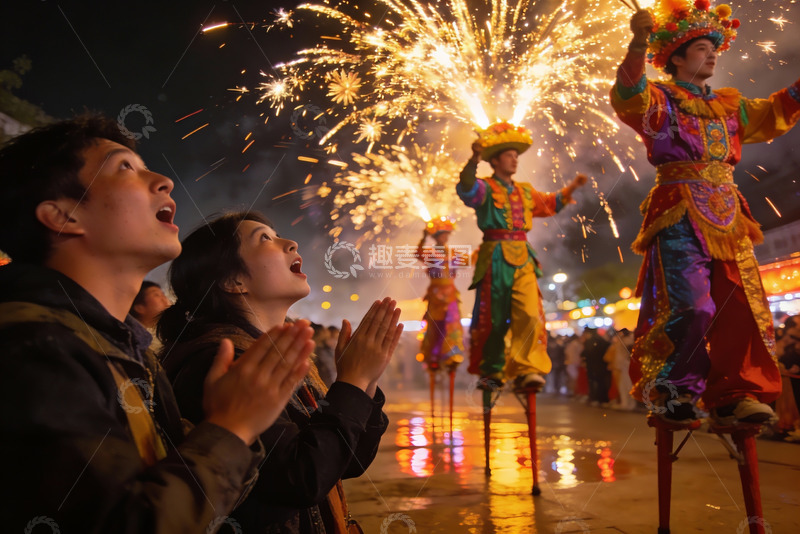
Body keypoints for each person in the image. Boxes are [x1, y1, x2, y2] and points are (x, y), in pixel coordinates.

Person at [0, 115, 312, 533]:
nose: (163, 180)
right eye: (124, 167)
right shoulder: (32, 350)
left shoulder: (130, 352)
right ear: (63, 215)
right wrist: (231, 427)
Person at [610, 1, 800, 424]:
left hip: (730, 215)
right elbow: (627, 95)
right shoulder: (660, 101)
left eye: (714, 47)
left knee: (742, 305)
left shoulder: (731, 107)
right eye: (700, 47)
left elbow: (775, 112)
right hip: (678, 212)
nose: (712, 54)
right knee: (693, 307)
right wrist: (637, 44)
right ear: (676, 57)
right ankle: (675, 389)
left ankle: (736, 392)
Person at [157, 211, 403, 533]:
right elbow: (300, 479)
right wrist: (352, 383)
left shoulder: (273, 353)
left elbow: (345, 462)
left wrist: (364, 385)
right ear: (233, 281)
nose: (290, 243)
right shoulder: (221, 360)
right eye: (265, 239)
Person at [457, 121, 587, 389]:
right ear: (495, 160)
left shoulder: (525, 191)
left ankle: (528, 368)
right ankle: (493, 369)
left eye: (517, 156)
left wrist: (572, 187)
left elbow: (550, 203)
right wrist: (473, 158)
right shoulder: (485, 188)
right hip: (494, 256)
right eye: (509, 155)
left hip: (524, 257)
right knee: (494, 318)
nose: (515, 160)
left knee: (529, 313)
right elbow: (466, 187)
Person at [415, 218, 465, 373]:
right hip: (436, 295)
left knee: (453, 325)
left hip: (450, 295)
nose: (445, 238)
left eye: (446, 235)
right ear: (435, 237)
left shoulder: (454, 253)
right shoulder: (430, 253)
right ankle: (434, 356)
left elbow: (466, 261)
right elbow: (418, 254)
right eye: (441, 235)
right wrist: (423, 237)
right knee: (435, 326)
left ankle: (451, 354)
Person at [129, 280, 171, 352]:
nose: (165, 299)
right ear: (139, 307)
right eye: (156, 295)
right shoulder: (134, 341)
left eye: (163, 294)